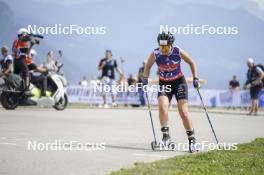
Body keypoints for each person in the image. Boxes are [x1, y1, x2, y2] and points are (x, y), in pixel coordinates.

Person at [143, 31, 200, 153]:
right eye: (161, 46)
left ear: (171, 45)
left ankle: (192, 140)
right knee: (163, 108)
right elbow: (147, 66)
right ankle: (166, 137)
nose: (162, 49)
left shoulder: (177, 51)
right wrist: (145, 78)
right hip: (164, 83)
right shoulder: (155, 53)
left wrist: (195, 77)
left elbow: (192, 62)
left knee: (183, 111)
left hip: (179, 82)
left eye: (165, 46)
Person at [12, 28, 37, 96]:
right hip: (21, 60)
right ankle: (26, 90)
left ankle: (15, 88)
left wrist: (31, 45)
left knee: (16, 75)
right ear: (23, 34)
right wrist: (31, 37)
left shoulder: (16, 41)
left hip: (15, 60)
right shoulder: (21, 41)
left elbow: (26, 52)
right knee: (26, 73)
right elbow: (24, 39)